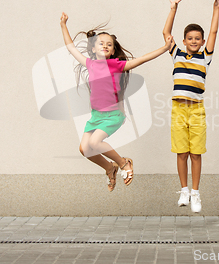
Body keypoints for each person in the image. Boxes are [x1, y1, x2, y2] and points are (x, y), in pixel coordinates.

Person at [60, 13, 172, 191]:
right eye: (101, 43)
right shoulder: (90, 64)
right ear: (94, 49)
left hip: (113, 116)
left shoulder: (116, 65)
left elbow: (142, 59)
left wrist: (165, 48)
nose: (105, 46)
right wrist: (63, 25)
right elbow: (71, 48)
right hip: (96, 116)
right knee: (84, 149)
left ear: (112, 51)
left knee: (96, 143)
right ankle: (109, 168)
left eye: (109, 44)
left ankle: (123, 163)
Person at [162, 0, 219, 213]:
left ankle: (196, 193)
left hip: (196, 110)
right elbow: (165, 32)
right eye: (190, 38)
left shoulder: (205, 56)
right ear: (184, 41)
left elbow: (214, 31)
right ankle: (184, 190)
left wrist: (216, 8)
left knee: (195, 153)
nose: (194, 41)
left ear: (201, 42)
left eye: (197, 39)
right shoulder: (176, 54)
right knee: (181, 152)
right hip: (178, 109)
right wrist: (173, 9)